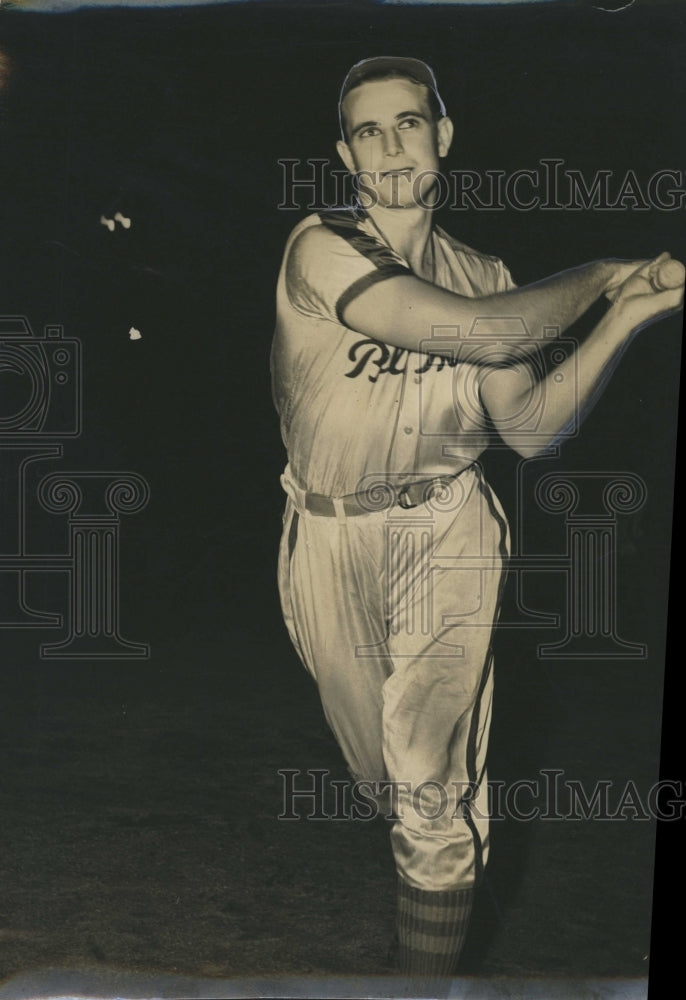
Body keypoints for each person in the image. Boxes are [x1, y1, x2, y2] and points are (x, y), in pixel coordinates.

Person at [270, 56, 682, 979]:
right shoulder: (321, 245)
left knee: (427, 785)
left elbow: (533, 432)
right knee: (385, 783)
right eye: (367, 131)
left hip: (448, 528)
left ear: (442, 136)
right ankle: (440, 920)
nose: (390, 146)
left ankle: (423, 978)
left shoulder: (483, 270)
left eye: (408, 123)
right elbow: (492, 334)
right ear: (345, 153)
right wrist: (607, 276)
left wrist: (630, 318)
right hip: (330, 535)